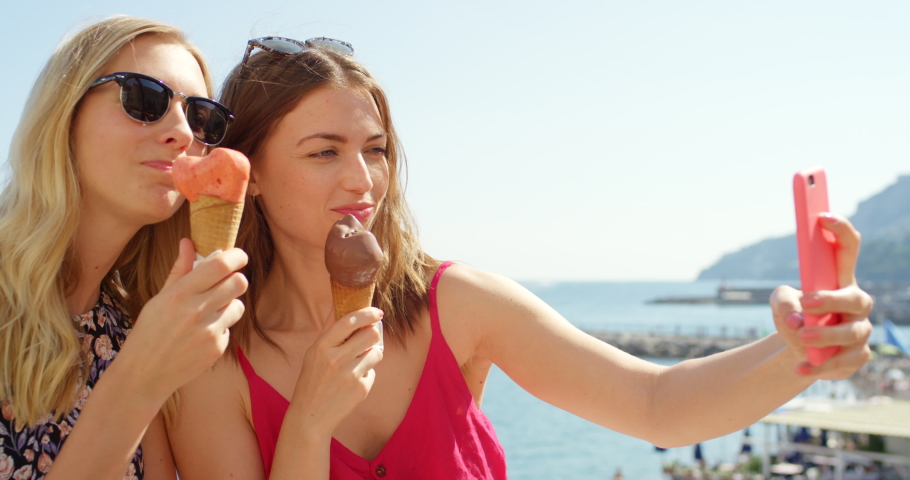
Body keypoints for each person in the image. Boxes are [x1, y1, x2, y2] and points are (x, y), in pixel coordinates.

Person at [167, 37, 873, 479]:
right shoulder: (213, 364)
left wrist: (799, 353)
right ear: (249, 173)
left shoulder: (458, 303)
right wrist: (310, 423)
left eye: (375, 150)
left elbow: (658, 405)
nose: (363, 180)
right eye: (324, 153)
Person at [0, 16, 248, 480]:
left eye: (201, 116)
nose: (184, 133)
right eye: (143, 98)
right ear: (65, 113)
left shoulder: (131, 325)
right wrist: (138, 381)